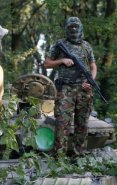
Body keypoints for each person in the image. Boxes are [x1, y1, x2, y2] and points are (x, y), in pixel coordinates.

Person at [44, 17, 97, 157]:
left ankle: (78, 155)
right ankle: (59, 156)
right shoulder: (60, 45)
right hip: (65, 89)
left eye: (75, 27)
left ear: (80, 28)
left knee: (82, 124)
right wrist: (62, 60)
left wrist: (90, 81)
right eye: (70, 27)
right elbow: (47, 63)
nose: (73, 30)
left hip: (84, 90)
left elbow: (93, 67)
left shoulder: (86, 46)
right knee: (62, 123)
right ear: (67, 28)